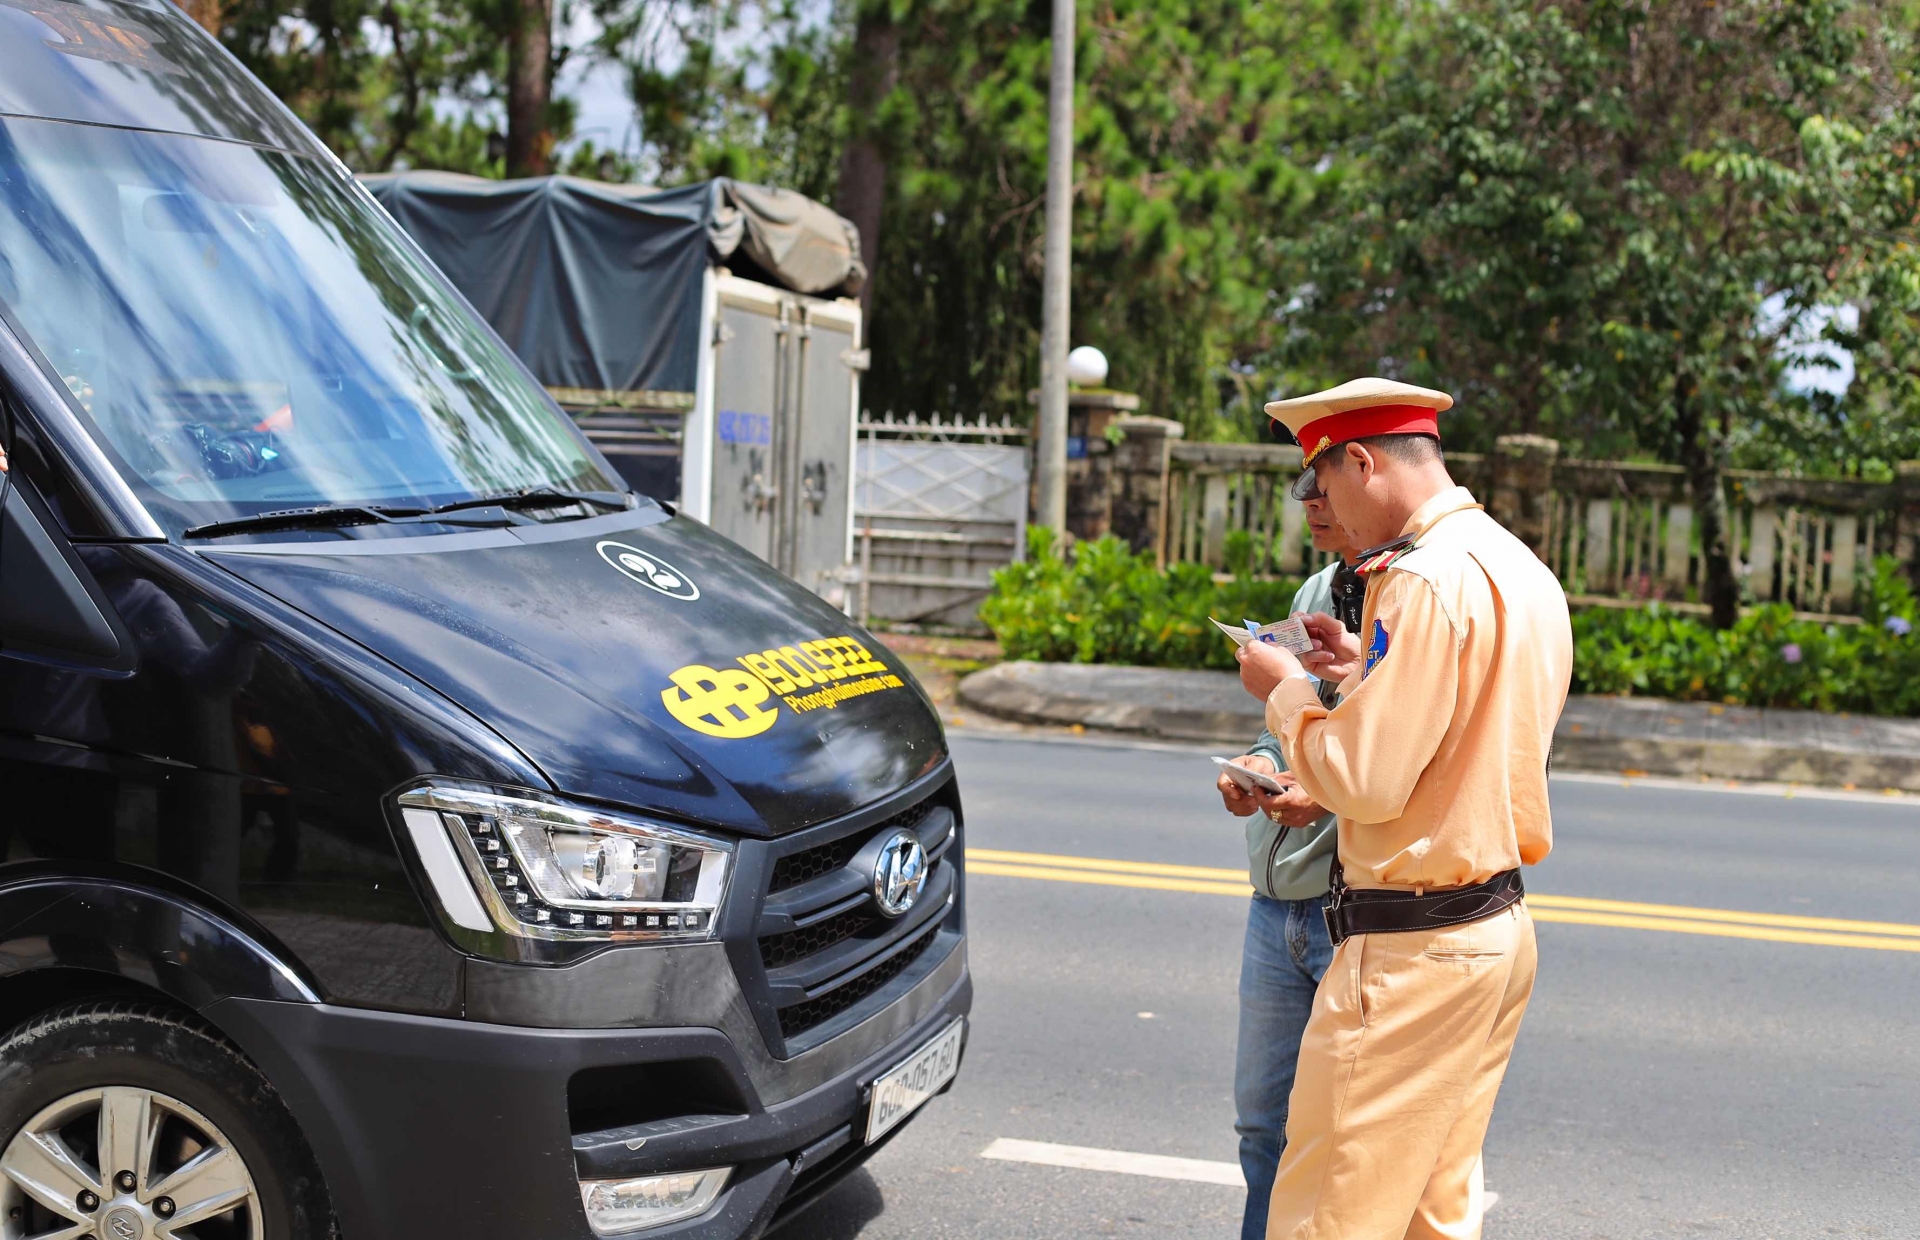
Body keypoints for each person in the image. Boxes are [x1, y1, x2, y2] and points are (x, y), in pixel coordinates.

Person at [1236, 377, 1572, 1240]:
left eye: (1327, 485)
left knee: (1328, 1216)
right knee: (1432, 1210)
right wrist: (1364, 676)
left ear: (1361, 461)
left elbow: (1364, 781)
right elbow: (1472, 725)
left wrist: (1292, 694)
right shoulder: (1517, 565)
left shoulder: (1419, 580)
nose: (1329, 512)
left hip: (1411, 948)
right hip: (1492, 931)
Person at [1214, 493, 1364, 1240]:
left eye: (1328, 479)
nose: (1310, 501)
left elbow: (1397, 759)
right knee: (1261, 1129)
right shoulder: (1316, 592)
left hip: (1353, 913)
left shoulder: (1420, 599)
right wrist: (1257, 762)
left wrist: (1323, 798)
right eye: (1304, 486)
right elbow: (1287, 721)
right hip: (1274, 910)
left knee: (1343, 1140)